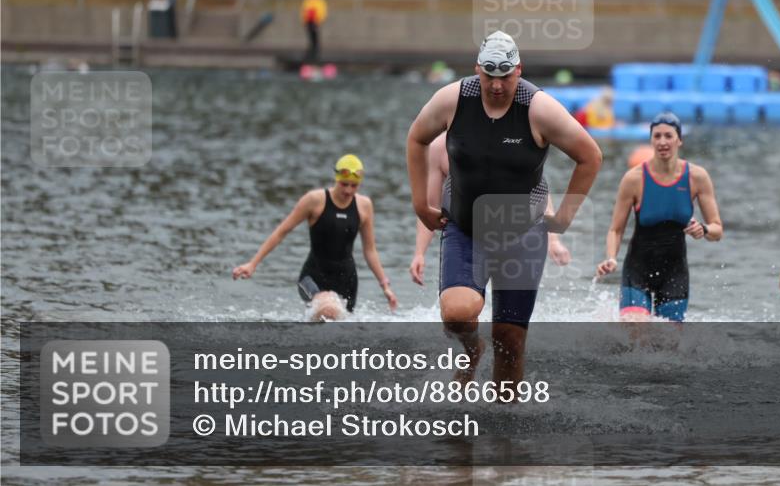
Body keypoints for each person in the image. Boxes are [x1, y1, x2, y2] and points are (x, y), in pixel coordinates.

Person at [406, 31, 602, 383]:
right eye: (489, 75)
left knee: (509, 340)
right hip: (466, 229)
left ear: (519, 71)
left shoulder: (539, 109)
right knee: (457, 314)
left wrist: (563, 219)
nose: (496, 85)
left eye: (505, 76)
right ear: (477, 70)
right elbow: (416, 138)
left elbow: (589, 156)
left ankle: (506, 433)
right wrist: (421, 203)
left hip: (522, 236)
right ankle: (471, 349)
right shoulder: (452, 99)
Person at [232, 154, 397, 320]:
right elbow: (282, 231)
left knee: (340, 332)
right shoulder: (314, 200)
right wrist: (253, 264)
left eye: (354, 186)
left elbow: (370, 250)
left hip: (347, 280)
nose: (348, 190)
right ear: (336, 178)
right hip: (312, 277)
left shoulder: (364, 206)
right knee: (328, 309)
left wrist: (385, 286)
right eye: (344, 184)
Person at [595, 112, 722, 321]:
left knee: (668, 345)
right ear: (651, 140)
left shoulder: (697, 177)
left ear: (679, 140)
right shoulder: (633, 179)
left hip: (675, 272)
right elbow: (615, 229)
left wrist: (704, 229)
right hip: (637, 269)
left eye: (668, 136)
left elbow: (717, 230)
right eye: (657, 136)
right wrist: (611, 257)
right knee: (635, 332)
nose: (662, 142)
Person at [408, 133, 572, 287]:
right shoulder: (440, 146)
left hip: (516, 233)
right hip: (466, 234)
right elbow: (430, 206)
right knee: (459, 309)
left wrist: (553, 240)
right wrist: (419, 253)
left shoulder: (512, 140)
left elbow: (536, 191)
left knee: (509, 313)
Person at [300, 0, 328, 64]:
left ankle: (316, 52)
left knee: (315, 36)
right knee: (310, 36)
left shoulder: (319, 1)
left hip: (315, 21)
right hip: (308, 21)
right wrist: (304, 20)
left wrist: (319, 20)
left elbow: (322, 11)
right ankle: (311, 52)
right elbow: (304, 10)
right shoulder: (307, 0)